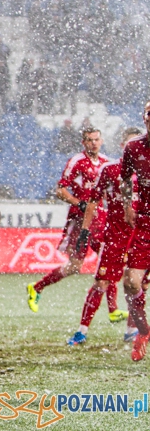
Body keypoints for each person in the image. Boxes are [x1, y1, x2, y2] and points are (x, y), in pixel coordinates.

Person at [67, 127, 143, 346]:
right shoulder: (110, 170)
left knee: (136, 284)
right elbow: (93, 201)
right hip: (114, 238)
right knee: (100, 282)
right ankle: (81, 331)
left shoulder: (146, 174)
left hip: (139, 238)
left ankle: (131, 329)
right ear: (123, 147)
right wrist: (85, 231)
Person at [27, 127, 109, 313]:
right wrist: (79, 203)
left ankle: (113, 310)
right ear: (83, 142)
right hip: (81, 221)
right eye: (89, 140)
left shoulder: (105, 163)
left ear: (101, 141)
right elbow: (60, 190)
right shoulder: (76, 162)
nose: (93, 143)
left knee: (108, 260)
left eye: (96, 139)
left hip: (100, 218)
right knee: (74, 266)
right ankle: (37, 287)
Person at [121, 101, 150, 361]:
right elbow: (125, 178)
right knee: (130, 282)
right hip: (146, 223)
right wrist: (128, 205)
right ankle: (143, 331)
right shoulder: (134, 148)